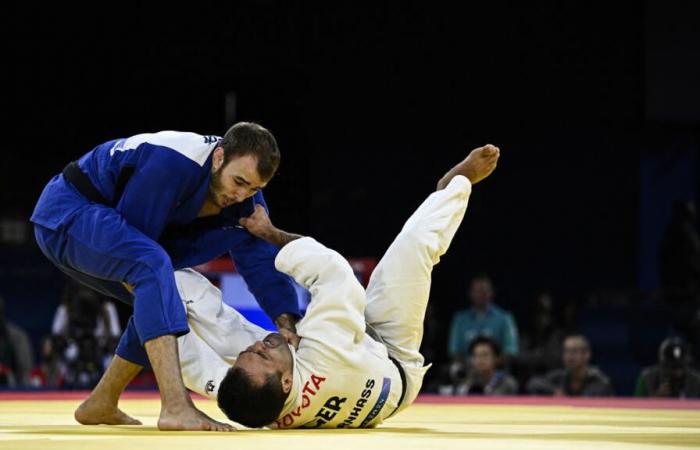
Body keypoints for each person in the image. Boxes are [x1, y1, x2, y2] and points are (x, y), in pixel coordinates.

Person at [73, 143, 500, 429]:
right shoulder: (325, 350)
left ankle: (148, 284)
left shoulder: (238, 390)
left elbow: (179, 344)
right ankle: (455, 186)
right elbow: (334, 272)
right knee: (414, 248)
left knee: (180, 299)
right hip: (393, 359)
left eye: (249, 353)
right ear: (283, 384)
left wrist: (148, 283)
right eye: (263, 353)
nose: (261, 343)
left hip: (329, 373)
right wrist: (271, 233)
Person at [31, 122, 300, 431]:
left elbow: (260, 262)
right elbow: (139, 249)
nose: (242, 195)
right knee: (153, 273)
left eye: (254, 189)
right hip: (69, 211)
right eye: (239, 182)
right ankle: (175, 406)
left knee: (165, 294)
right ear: (218, 157)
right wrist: (159, 299)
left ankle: (101, 402)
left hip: (106, 226)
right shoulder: (172, 162)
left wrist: (285, 320)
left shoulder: (247, 203)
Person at [447, 274, 519, 374]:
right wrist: (474, 366)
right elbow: (454, 351)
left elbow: (511, 351)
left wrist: (488, 366)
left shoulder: (505, 318)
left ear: (492, 292)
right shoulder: (460, 320)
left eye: (484, 291)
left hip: (498, 374)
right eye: (477, 291)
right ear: (470, 294)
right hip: (468, 372)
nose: (481, 295)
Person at [526, 334, 614, 397]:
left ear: (587, 355)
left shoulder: (600, 383)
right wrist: (555, 391)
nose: (569, 356)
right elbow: (533, 383)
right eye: (566, 351)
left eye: (574, 351)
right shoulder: (560, 376)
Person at [635, 337, 700, 398]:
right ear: (662, 364)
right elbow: (635, 407)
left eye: (681, 367)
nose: (677, 373)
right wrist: (655, 400)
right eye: (672, 368)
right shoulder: (647, 378)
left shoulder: (696, 381)